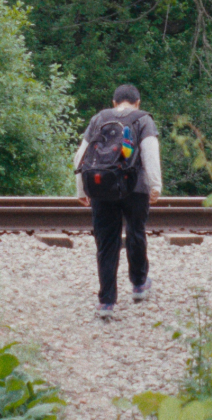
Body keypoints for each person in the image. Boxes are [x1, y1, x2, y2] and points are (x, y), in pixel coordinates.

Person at [74, 83, 162, 318]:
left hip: (102, 186)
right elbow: (150, 153)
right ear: (137, 102)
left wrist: (81, 189)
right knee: (135, 232)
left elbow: (80, 156)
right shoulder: (143, 120)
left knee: (106, 242)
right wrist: (155, 186)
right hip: (136, 187)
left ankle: (106, 302)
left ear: (114, 102)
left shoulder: (99, 118)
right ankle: (139, 284)